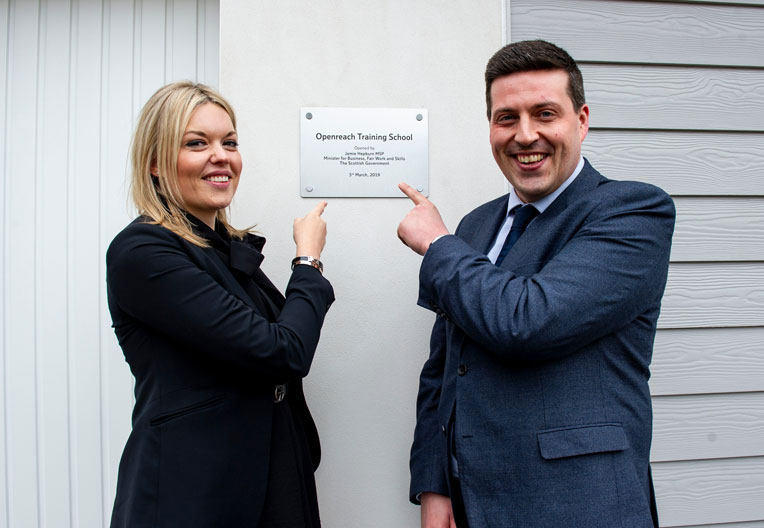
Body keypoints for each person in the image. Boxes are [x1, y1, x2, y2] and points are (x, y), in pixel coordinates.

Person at [397, 40, 674, 528]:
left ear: (581, 120)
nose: (526, 135)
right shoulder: (475, 227)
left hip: (580, 503)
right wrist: (434, 483)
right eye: (507, 118)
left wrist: (436, 244)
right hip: (473, 503)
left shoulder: (633, 212)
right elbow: (444, 367)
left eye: (545, 113)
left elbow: (528, 321)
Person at [107, 81, 334, 527]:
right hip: (195, 492)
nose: (221, 156)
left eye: (229, 142)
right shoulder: (143, 252)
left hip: (273, 479)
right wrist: (308, 263)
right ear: (155, 162)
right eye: (197, 143)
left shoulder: (223, 249)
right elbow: (282, 352)